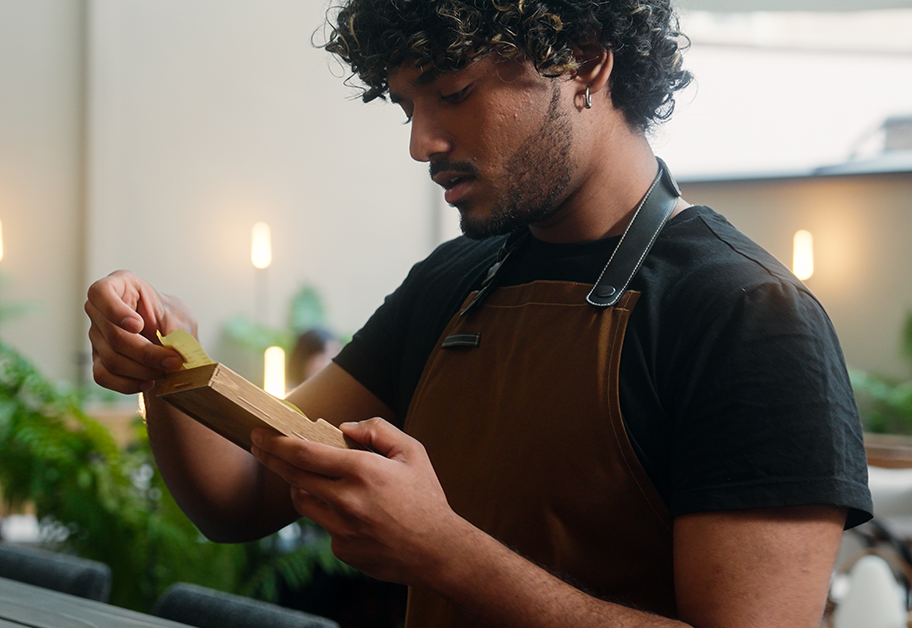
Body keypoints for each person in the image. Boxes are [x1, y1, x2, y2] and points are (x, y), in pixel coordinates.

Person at [85, 1, 872, 626]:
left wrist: (443, 552)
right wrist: (170, 363)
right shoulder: (453, 282)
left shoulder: (749, 317)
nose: (423, 141)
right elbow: (244, 493)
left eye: (454, 92)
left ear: (587, 61)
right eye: (407, 105)